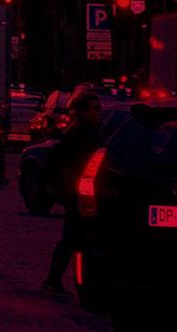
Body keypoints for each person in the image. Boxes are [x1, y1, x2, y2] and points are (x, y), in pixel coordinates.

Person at [42, 91, 103, 293]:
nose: (99, 112)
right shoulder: (83, 133)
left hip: (79, 191)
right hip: (80, 192)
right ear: (83, 112)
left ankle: (56, 280)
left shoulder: (82, 131)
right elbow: (58, 159)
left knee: (73, 239)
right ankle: (66, 282)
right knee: (76, 239)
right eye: (95, 108)